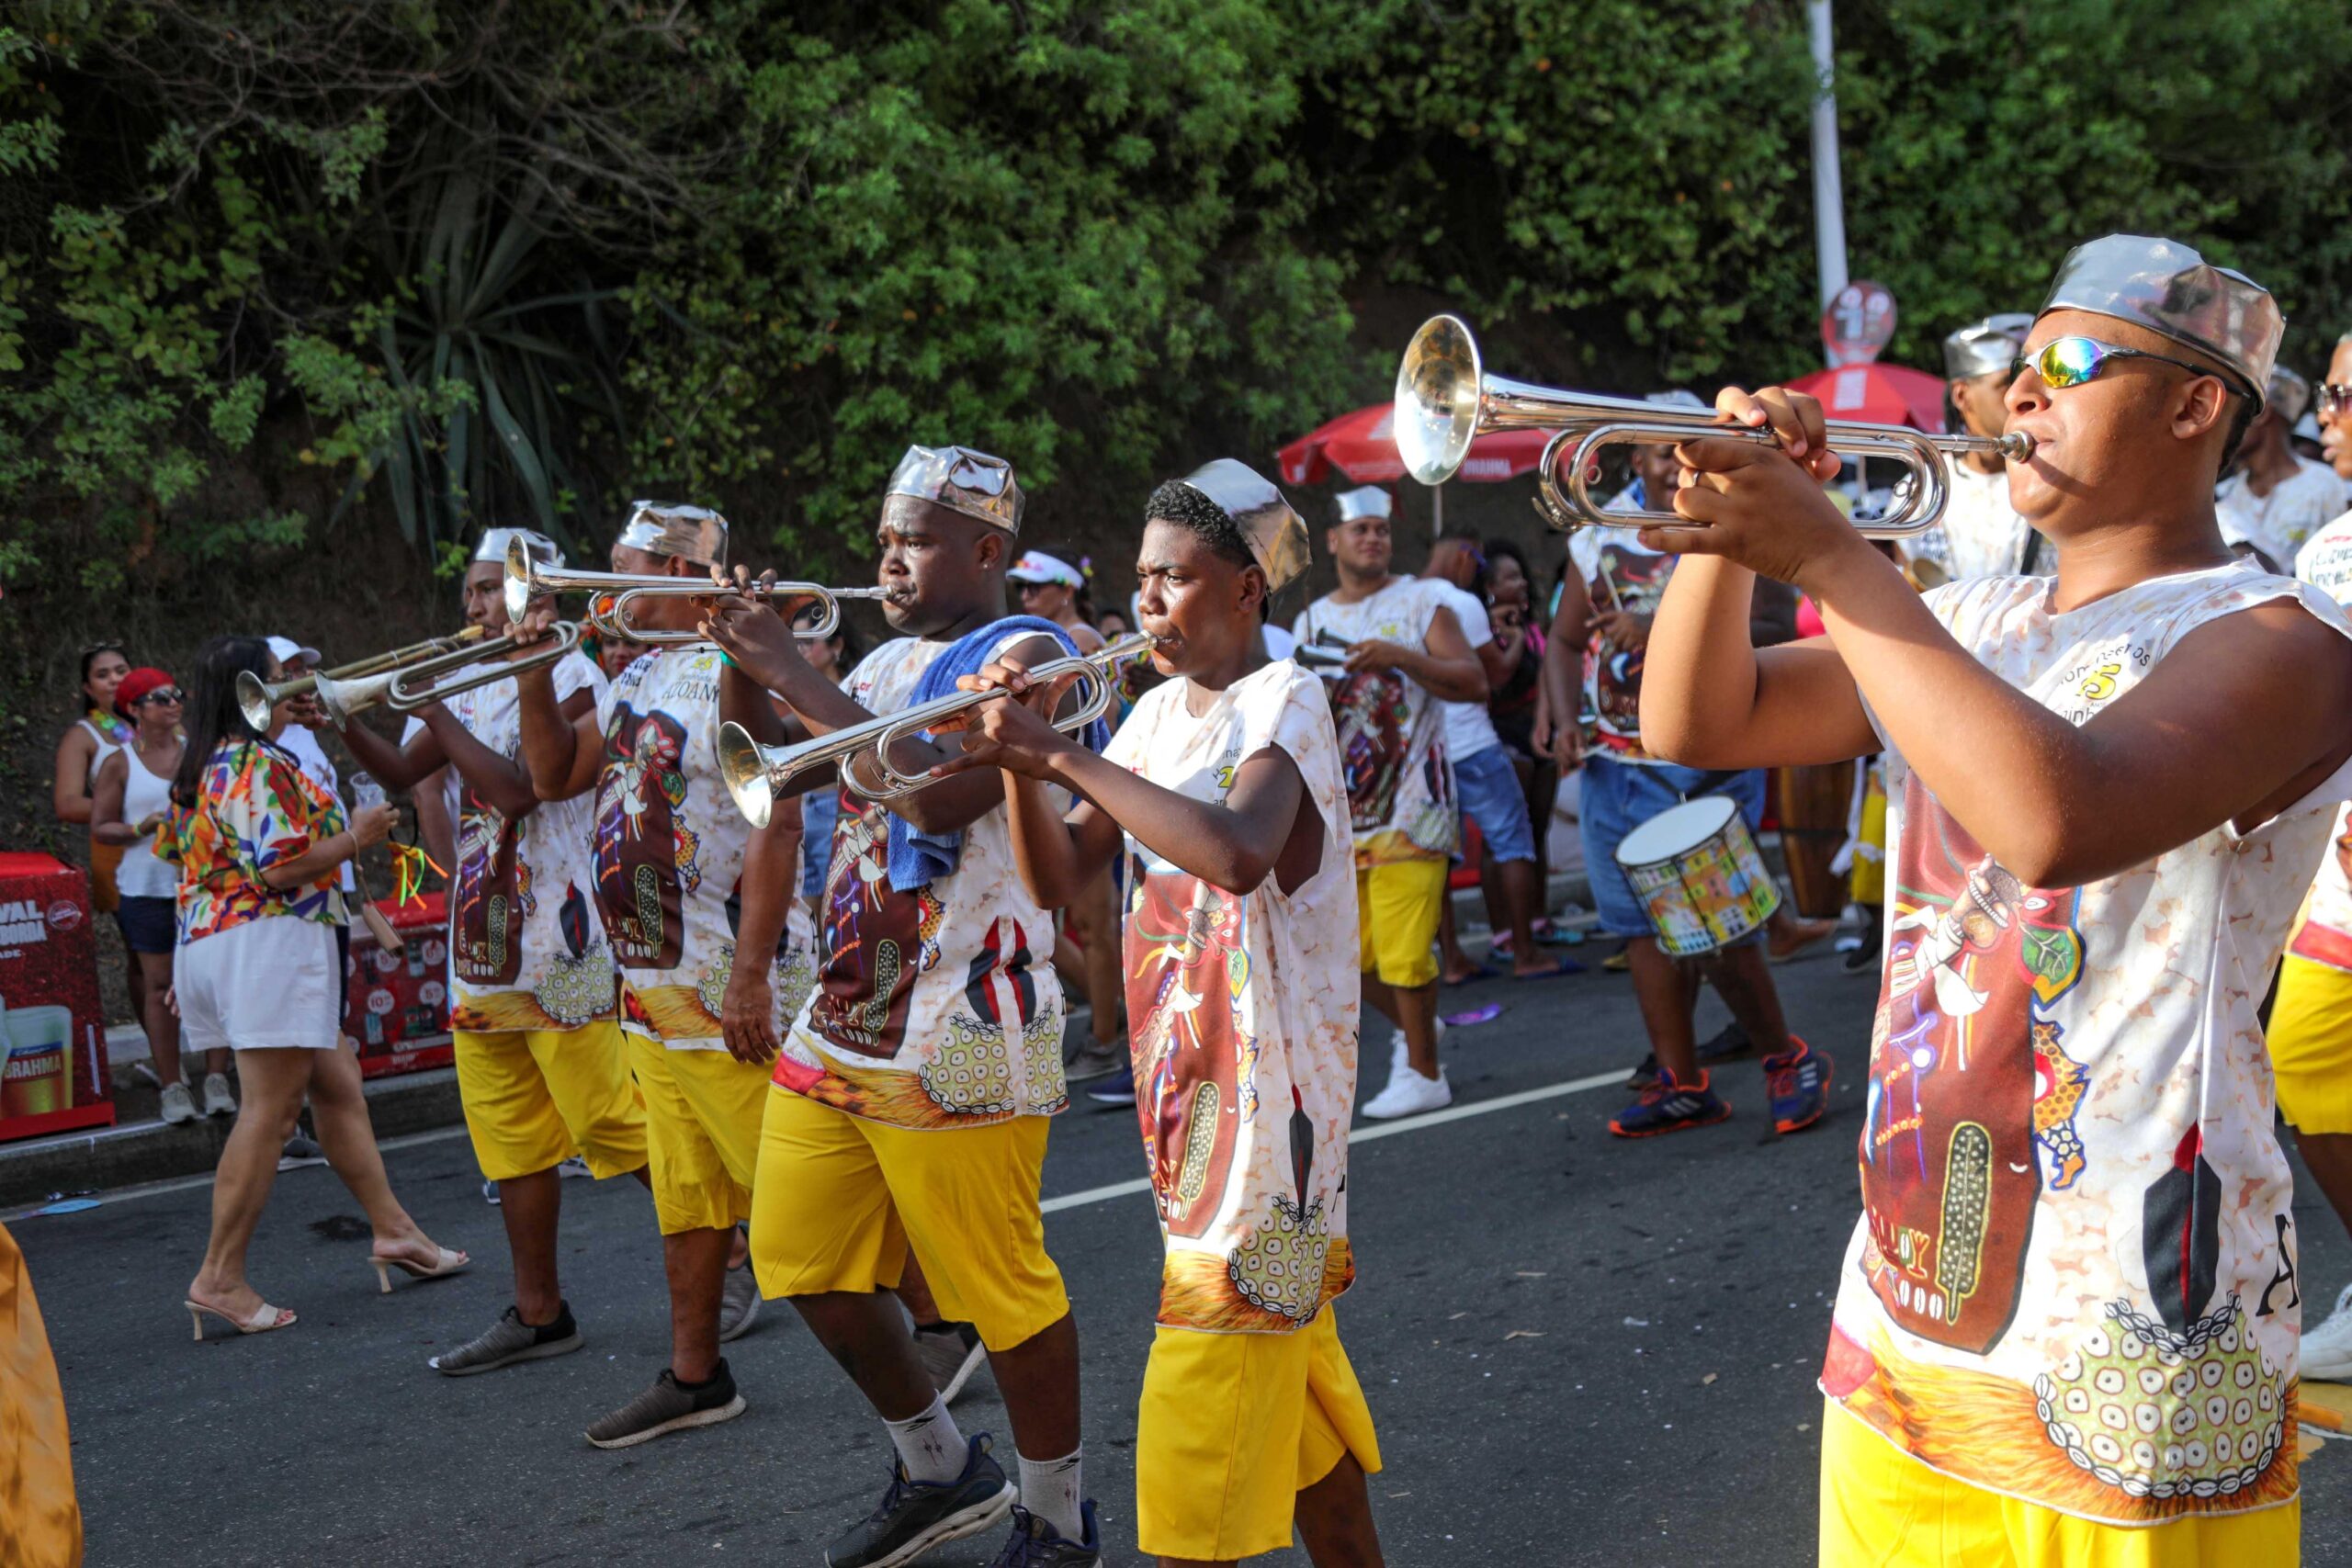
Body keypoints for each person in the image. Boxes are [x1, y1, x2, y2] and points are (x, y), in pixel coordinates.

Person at [1638, 234, 2347, 1562]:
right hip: (1912, 1301)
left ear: (2199, 402)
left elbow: (2058, 817)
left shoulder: (2280, 636)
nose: (2019, 395)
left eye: (2066, 364)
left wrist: (1836, 560)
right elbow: (1698, 715)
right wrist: (1726, 524)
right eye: (2017, 368)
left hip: (2136, 1342)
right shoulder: (1969, 618)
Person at [934, 460, 1385, 1567]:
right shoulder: (1137, 723)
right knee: (1303, 1434)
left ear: (1244, 590)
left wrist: (1057, 750)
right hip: (1187, 1107)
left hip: (1273, 1127)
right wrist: (1013, 765)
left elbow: (1235, 854)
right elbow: (1056, 886)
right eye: (1140, 579)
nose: (1147, 604)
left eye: (1175, 580)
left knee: (1193, 1464)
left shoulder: (1285, 700)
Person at [707, 446, 1101, 1568]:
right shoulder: (878, 664)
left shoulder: (1032, 655)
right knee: (801, 1260)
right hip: (846, 1013)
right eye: (883, 538)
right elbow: (776, 765)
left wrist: (789, 665)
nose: (888, 560)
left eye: (915, 539)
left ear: (986, 549)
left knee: (1004, 1287)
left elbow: (942, 786)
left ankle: (1059, 1515)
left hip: (966, 1024)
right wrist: (742, 659)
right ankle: (937, 1465)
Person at [510, 502, 804, 1445]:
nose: (600, 586)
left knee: (804, 1195)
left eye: (619, 566)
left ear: (678, 571)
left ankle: (936, 1330)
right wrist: (529, 669)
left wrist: (753, 975)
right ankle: (695, 1376)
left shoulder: (731, 667)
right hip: (650, 984)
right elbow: (555, 774)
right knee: (687, 1195)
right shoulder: (631, 668)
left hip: (723, 979)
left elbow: (777, 820)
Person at [330, 529, 654, 1377]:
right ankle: (539, 1312)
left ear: (532, 595)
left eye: (489, 590)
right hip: (484, 940)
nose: (473, 606)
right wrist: (341, 713)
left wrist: (436, 711)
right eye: (469, 592)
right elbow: (408, 769)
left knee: (609, 1121)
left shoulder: (578, 678)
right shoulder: (465, 683)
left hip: (558, 935)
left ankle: (727, 1244)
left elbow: (520, 791)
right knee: (511, 1138)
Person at [171, 636, 466, 1338]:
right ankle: (220, 1276)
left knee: (335, 1083)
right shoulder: (256, 762)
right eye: (279, 680)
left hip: (226, 941)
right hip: (271, 938)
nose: (295, 688)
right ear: (250, 692)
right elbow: (281, 868)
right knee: (270, 1113)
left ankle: (396, 1230)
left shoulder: (211, 762)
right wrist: (360, 835)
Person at [1537, 431, 1832, 1132]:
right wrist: (1562, 716)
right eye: (1662, 454)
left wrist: (1662, 623)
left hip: (1704, 756)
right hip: (1616, 762)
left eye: (1686, 453)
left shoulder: (1735, 518)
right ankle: (1681, 1080)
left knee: (1720, 923)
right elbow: (1566, 639)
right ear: (1636, 460)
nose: (1675, 464)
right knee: (1639, 927)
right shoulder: (1598, 534)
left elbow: (1771, 630)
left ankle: (1787, 1059)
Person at [1295, 486, 1485, 1120]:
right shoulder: (1311, 620)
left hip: (1414, 807)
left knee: (1404, 954)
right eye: (1359, 529)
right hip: (1343, 818)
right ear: (1332, 541)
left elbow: (1475, 681)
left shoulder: (1422, 602)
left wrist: (1402, 655)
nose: (1372, 538)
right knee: (1353, 962)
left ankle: (1426, 1072)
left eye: (1380, 529)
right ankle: (1418, 1025)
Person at [2256, 329, 2352, 1382]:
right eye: (2323, 392)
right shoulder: (2331, 547)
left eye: (2342, 393)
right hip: (2337, 872)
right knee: (2305, 1058)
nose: (2323, 412)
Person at [1419, 537, 1566, 984]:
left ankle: (1454, 962)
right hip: (1474, 743)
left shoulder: (1402, 600)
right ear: (1465, 558)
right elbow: (1496, 675)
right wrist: (1518, 639)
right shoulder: (1461, 602)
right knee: (1514, 842)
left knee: (1437, 859)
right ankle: (1524, 951)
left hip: (1428, 751)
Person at [90, 667, 232, 1123]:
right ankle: (172, 1085)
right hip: (146, 888)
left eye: (176, 694)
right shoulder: (119, 762)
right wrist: (141, 827)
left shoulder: (202, 753)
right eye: (159, 698)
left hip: (203, 883)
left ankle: (216, 1078)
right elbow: (101, 826)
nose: (173, 703)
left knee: (210, 981)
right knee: (158, 987)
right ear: (134, 709)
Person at [1010, 547, 1125, 1086]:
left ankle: (1107, 1039)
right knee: (1061, 928)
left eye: (1037, 587)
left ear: (1068, 589)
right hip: (1066, 795)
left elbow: (1100, 725)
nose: (1027, 596)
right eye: (1023, 588)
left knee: (1091, 926)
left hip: (1082, 794)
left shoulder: (1077, 642)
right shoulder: (1052, 639)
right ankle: (1112, 1020)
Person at [1924, 314, 2043, 581]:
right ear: (1962, 395)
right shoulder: (1923, 488)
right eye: (2006, 383)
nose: (2020, 396)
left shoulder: (2056, 475)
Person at [2214, 364, 2347, 570]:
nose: (2217, 425)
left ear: (2263, 414)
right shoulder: (2223, 495)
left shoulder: (2327, 487)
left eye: (2230, 412)